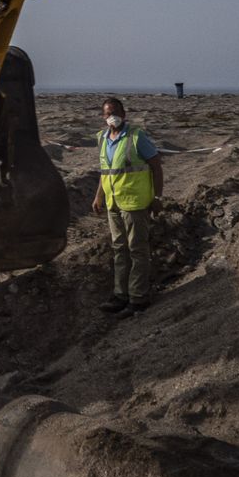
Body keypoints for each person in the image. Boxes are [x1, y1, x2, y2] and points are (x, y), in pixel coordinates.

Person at [91, 97, 163, 318]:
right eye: (107, 113)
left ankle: (138, 298)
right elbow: (106, 172)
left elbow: (156, 166)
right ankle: (120, 294)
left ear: (123, 113)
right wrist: (98, 197)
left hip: (135, 203)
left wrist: (158, 197)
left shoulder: (136, 136)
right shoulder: (102, 138)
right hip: (114, 202)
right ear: (103, 117)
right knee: (119, 249)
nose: (111, 116)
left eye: (114, 111)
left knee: (137, 249)